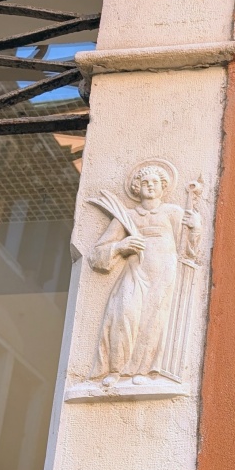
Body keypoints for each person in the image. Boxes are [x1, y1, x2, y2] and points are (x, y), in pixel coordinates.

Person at [89, 162, 200, 386]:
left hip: (163, 274)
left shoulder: (173, 212)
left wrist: (195, 227)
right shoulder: (126, 216)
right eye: (145, 183)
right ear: (137, 188)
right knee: (123, 314)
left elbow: (189, 250)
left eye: (155, 183)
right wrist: (121, 246)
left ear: (163, 187)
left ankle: (143, 370)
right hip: (135, 272)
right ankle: (115, 370)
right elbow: (97, 255)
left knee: (154, 320)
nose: (150, 186)